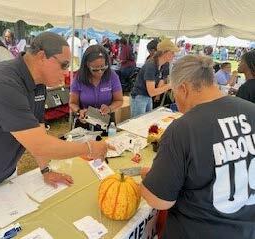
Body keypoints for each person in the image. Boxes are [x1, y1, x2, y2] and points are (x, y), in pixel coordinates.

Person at [0, 32, 110, 201]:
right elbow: (40, 145)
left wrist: (45, 170)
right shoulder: (3, 81)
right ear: (41, 57)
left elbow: (37, 131)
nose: (66, 72)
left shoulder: (38, 84)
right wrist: (89, 148)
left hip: (3, 175)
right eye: (64, 65)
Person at [140, 55, 255, 239]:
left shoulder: (183, 128)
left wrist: (147, 178)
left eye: (174, 94)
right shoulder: (252, 111)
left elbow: (159, 200)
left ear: (183, 89)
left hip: (194, 231)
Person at [69, 45, 123, 131]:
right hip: (84, 123)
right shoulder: (79, 78)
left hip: (106, 122)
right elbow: (72, 103)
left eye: (103, 68)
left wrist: (109, 108)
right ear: (87, 65)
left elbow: (119, 100)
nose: (100, 72)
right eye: (95, 69)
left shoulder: (112, 76)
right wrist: (79, 111)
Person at [130, 38, 178, 117]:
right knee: (138, 123)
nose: (174, 55)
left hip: (147, 97)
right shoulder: (151, 65)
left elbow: (160, 82)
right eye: (172, 52)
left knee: (146, 120)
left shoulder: (162, 64)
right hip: (140, 97)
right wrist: (169, 85)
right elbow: (152, 92)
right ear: (164, 52)